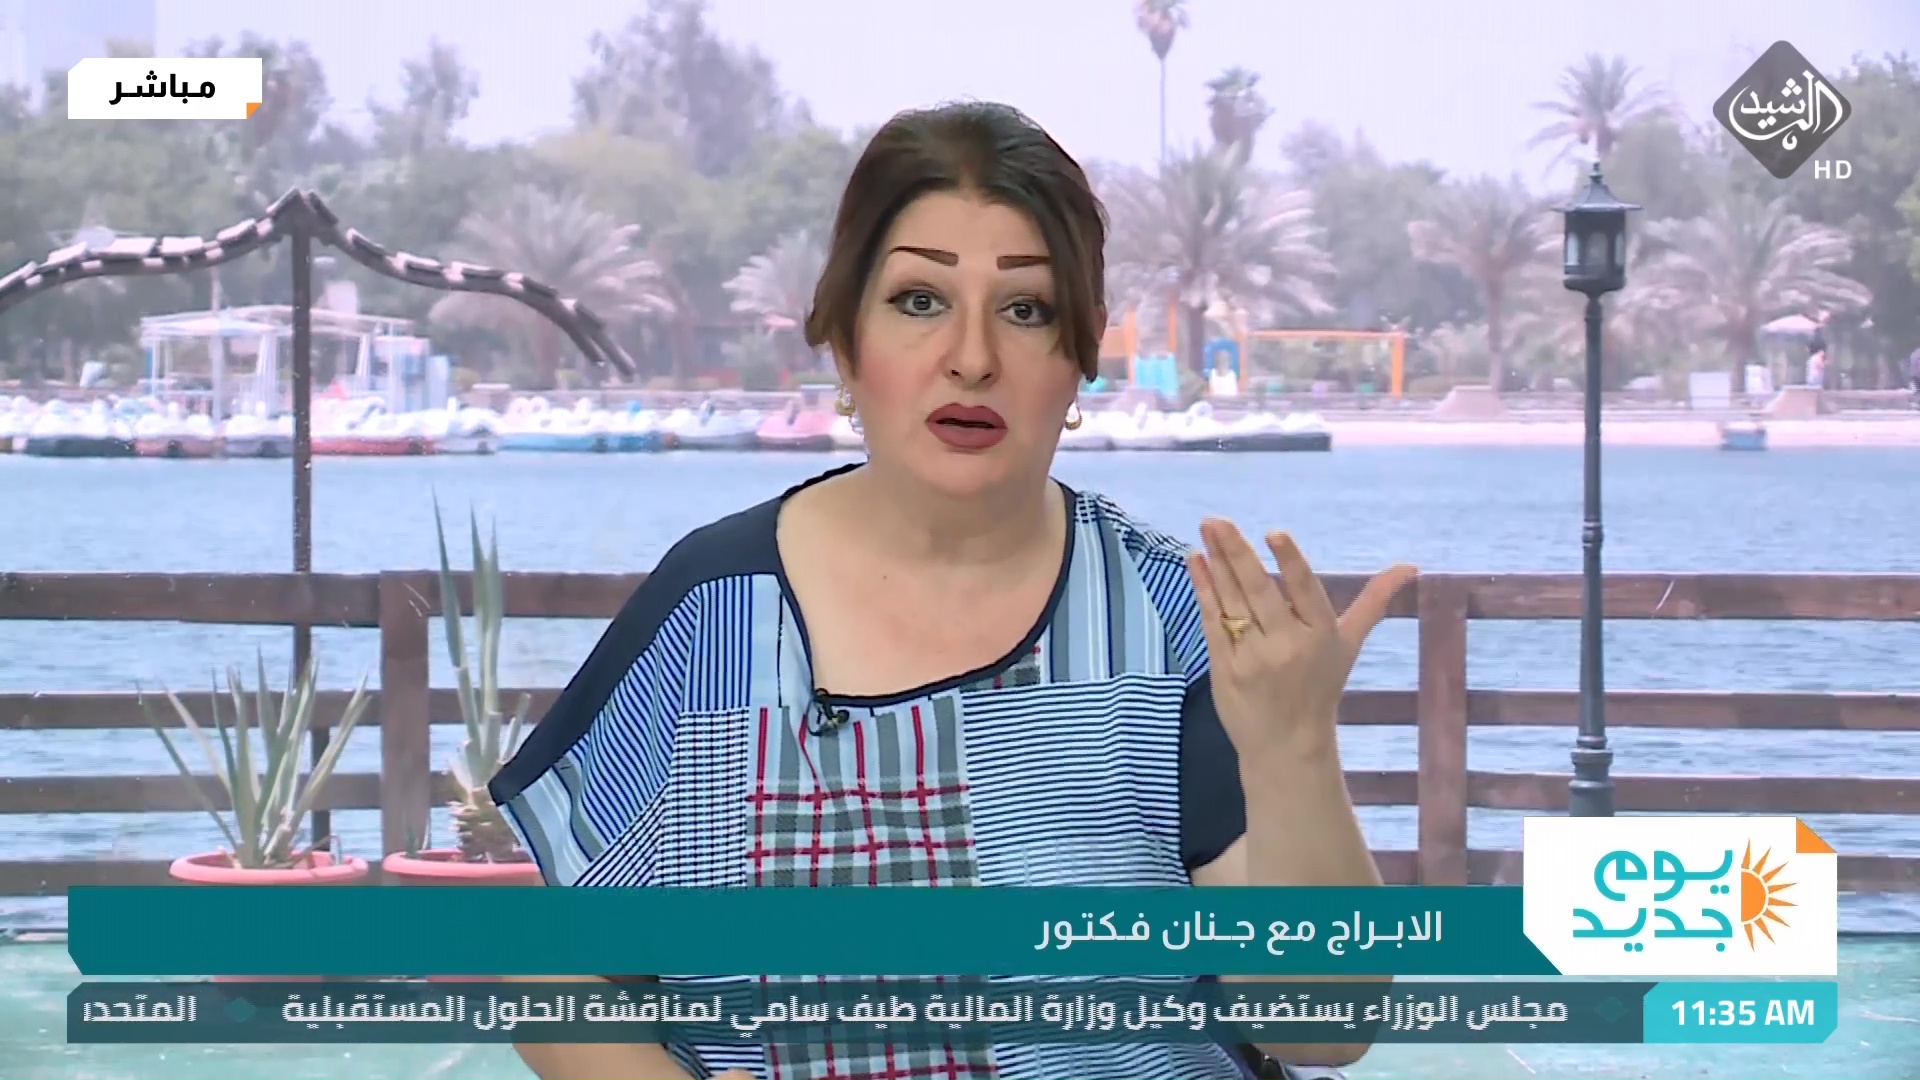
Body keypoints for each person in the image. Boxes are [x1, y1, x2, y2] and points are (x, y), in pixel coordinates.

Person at [488, 101, 1417, 1080]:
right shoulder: (714, 610)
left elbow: (1322, 1026)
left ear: (1080, 357)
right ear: (845, 341)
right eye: (920, 299)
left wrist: (1293, 748)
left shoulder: (1165, 623)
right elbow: (554, 977)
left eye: (1026, 310)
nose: (972, 357)